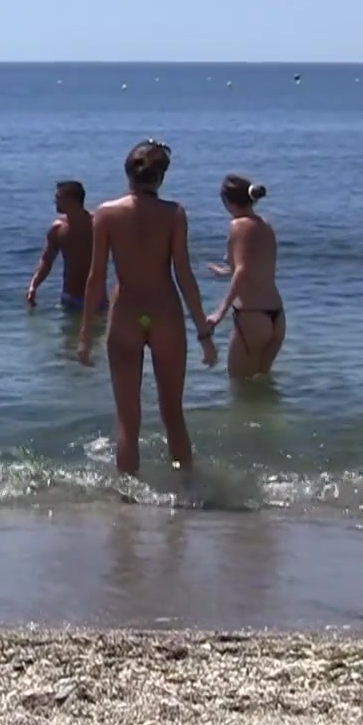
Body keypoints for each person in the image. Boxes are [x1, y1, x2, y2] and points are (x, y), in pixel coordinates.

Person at [76, 139, 217, 483]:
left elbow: (95, 278)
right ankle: (187, 489)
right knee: (173, 413)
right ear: (161, 177)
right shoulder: (174, 214)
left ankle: (127, 498)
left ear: (128, 174)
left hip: (127, 314)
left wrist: (85, 336)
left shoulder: (106, 214)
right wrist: (204, 332)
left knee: (127, 420)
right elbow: (183, 274)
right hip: (164, 313)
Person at [205, 175, 286, 378]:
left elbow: (242, 271)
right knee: (261, 382)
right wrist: (224, 272)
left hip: (252, 315)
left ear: (226, 201)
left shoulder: (238, 225)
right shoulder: (265, 224)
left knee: (239, 384)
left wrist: (219, 314)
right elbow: (257, 268)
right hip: (276, 316)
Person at [24, 180, 102, 311]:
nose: (55, 202)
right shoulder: (58, 229)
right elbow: (46, 261)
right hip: (69, 297)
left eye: (58, 198)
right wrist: (33, 286)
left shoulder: (98, 225)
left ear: (71, 200)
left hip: (97, 297)